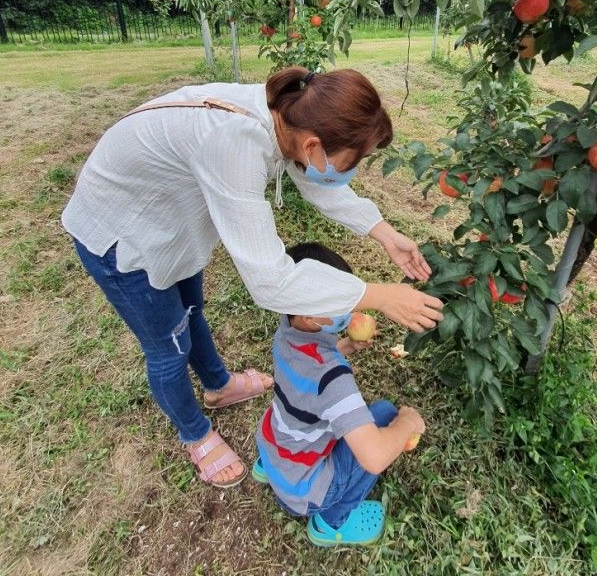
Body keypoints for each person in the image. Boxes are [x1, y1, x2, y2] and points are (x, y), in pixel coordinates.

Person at [62, 66, 442, 489]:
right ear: (314, 145)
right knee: (168, 346)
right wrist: (377, 295)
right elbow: (270, 281)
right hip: (120, 233)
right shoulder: (236, 142)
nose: (351, 170)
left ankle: (218, 386)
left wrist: (384, 233)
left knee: (191, 311)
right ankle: (196, 434)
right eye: (352, 161)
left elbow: (318, 183)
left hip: (167, 223)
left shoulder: (289, 115)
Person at [253, 242, 426, 546]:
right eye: (340, 303)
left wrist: (345, 346)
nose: (351, 309)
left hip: (278, 452)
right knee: (385, 415)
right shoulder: (333, 379)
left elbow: (306, 377)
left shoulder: (285, 332)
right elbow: (373, 457)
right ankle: (332, 522)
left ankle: (272, 470)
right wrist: (409, 424)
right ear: (309, 316)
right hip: (306, 494)